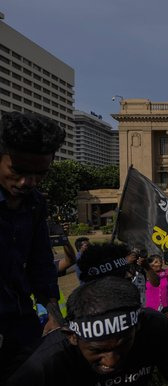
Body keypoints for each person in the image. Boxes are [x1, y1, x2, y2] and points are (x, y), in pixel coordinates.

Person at [8, 276, 168, 386]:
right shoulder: (44, 365)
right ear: (72, 337)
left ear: (137, 327)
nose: (112, 361)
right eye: (97, 350)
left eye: (123, 344)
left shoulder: (154, 327)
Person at [0, 111, 66, 380]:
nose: (29, 182)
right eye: (18, 171)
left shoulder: (36, 203)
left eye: (41, 173)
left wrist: (53, 315)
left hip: (20, 322)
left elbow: (40, 265)